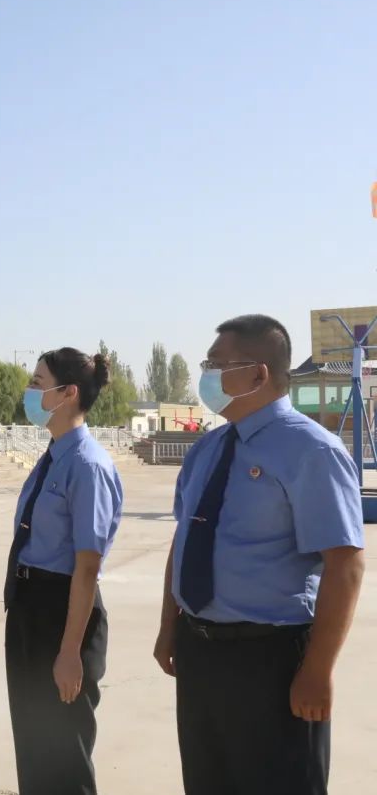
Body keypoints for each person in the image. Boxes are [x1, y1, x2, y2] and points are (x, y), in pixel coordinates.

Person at [153, 314, 366, 795]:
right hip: (200, 653)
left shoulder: (311, 450)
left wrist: (317, 670)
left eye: (216, 364)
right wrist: (170, 626)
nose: (206, 374)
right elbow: (184, 541)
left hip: (271, 659)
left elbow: (345, 564)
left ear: (257, 374)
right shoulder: (206, 450)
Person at [3, 347, 121, 795]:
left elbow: (87, 567)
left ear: (68, 393)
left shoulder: (87, 465)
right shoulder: (54, 456)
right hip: (30, 610)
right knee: (34, 751)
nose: (30, 391)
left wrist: (70, 651)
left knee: (64, 758)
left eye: (38, 383)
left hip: (64, 613)